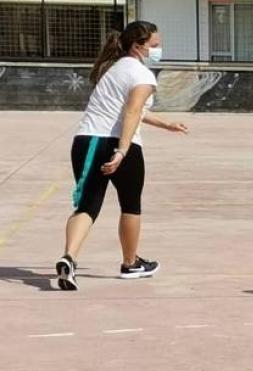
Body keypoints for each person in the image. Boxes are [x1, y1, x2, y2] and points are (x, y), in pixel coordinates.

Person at [55, 20, 188, 291]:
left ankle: (69, 258)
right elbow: (131, 112)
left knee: (87, 205)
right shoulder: (142, 75)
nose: (158, 50)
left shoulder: (113, 70)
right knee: (130, 205)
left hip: (85, 141)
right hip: (116, 143)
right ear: (138, 47)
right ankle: (130, 263)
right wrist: (121, 151)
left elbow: (131, 110)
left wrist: (166, 125)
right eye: (154, 45)